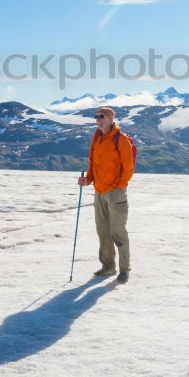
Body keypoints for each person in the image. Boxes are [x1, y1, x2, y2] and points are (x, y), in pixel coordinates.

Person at [78, 106, 134, 283]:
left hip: (115, 191)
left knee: (117, 231)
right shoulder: (96, 138)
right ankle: (108, 266)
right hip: (99, 190)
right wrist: (88, 180)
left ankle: (124, 269)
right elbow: (93, 163)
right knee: (102, 230)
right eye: (96, 116)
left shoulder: (121, 139)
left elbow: (128, 167)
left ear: (111, 118)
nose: (98, 119)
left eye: (101, 116)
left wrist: (120, 186)